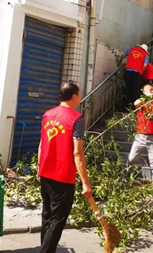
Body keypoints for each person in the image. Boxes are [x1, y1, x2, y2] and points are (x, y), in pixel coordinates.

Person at [37, 82, 93, 253]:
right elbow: (77, 153)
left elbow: (41, 145)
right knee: (56, 221)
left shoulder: (48, 114)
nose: (80, 97)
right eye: (80, 94)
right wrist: (85, 183)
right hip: (63, 177)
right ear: (74, 97)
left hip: (45, 174)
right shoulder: (77, 119)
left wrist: (39, 168)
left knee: (47, 217)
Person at [121, 44, 150, 110]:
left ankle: (124, 106)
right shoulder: (146, 55)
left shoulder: (131, 49)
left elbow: (122, 55)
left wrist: (118, 62)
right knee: (136, 89)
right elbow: (145, 66)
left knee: (126, 88)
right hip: (137, 73)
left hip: (128, 71)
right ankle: (135, 108)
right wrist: (141, 72)